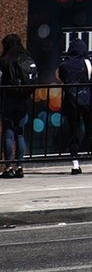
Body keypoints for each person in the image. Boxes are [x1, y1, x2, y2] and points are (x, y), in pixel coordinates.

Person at [56, 37, 92, 174]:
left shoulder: (64, 65)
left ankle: (75, 165)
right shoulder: (87, 63)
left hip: (71, 101)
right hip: (87, 100)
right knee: (90, 131)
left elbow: (63, 79)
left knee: (74, 132)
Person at [1, 33, 33, 179]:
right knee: (20, 133)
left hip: (8, 100)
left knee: (8, 133)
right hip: (23, 100)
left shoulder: (4, 60)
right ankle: (20, 167)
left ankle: (8, 167)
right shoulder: (26, 58)